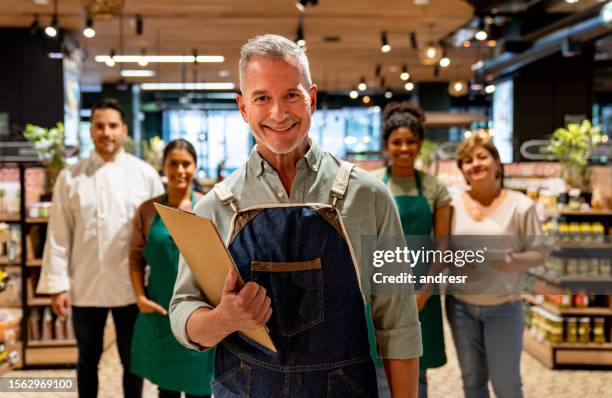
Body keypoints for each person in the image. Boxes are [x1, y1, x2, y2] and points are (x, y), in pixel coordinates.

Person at [169, 34, 422, 397]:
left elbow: (398, 322)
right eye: (262, 98)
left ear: (312, 98)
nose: (279, 112)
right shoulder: (214, 207)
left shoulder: (368, 197)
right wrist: (222, 319)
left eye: (291, 94)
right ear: (243, 109)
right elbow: (182, 313)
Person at [37, 98, 164, 398]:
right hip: (85, 285)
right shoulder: (70, 177)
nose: (106, 132)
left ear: (124, 130)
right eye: (99, 126)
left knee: (133, 361)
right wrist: (58, 286)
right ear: (91, 130)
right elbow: (58, 235)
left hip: (133, 287)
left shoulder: (145, 175)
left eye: (112, 126)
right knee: (86, 360)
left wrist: (160, 283)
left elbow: (158, 234)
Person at [446, 133, 543, 398]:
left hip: (505, 306)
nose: (475, 164)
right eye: (467, 160)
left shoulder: (521, 206)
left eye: (481, 157)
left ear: (497, 163)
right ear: (462, 170)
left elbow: (539, 253)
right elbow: (442, 252)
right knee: (473, 383)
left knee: (506, 385)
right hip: (460, 306)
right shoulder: (451, 205)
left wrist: (515, 261)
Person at [370, 101, 451, 398]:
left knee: (417, 370)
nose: (404, 148)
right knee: (379, 366)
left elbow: (443, 244)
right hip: (379, 290)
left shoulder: (435, 188)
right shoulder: (372, 184)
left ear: (419, 144)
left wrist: (425, 291)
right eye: (397, 142)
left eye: (411, 142)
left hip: (421, 293)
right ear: (386, 145)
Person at [129, 139, 215, 398]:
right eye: (173, 163)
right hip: (160, 308)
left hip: (199, 311)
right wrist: (140, 298)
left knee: (199, 386)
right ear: (163, 167)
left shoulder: (208, 206)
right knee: (165, 387)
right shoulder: (147, 210)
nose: (180, 170)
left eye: (186, 164)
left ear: (195, 166)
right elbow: (135, 258)